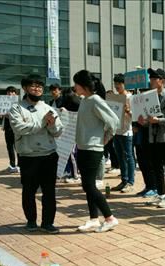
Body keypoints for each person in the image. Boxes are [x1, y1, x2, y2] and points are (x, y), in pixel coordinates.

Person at [9, 74, 63, 234]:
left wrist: (52, 125)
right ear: (25, 88)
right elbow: (20, 128)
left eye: (39, 86)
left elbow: (58, 131)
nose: (37, 89)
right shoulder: (16, 108)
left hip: (49, 156)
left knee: (49, 191)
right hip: (28, 156)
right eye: (33, 86)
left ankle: (48, 223)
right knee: (29, 191)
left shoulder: (48, 108)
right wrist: (42, 123)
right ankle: (31, 221)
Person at [74, 70, 119, 233]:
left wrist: (105, 139)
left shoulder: (95, 100)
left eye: (76, 84)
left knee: (89, 186)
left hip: (93, 149)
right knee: (89, 185)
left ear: (83, 85)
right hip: (83, 147)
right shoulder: (85, 100)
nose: (74, 87)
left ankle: (109, 218)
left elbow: (113, 121)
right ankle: (94, 218)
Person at [143, 68, 165, 208]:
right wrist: (143, 121)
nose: (151, 81)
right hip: (153, 137)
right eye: (150, 78)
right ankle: (161, 194)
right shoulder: (150, 97)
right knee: (157, 167)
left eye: (154, 78)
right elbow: (148, 119)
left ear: (162, 81)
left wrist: (159, 121)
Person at [111, 73, 136, 193]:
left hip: (126, 131)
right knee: (120, 156)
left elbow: (135, 115)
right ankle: (124, 180)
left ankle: (130, 182)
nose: (117, 86)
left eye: (119, 84)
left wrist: (128, 111)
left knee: (128, 156)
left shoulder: (130, 97)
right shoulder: (115, 98)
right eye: (115, 83)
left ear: (125, 84)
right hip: (117, 131)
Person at [0, 86, 19, 173]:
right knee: (9, 147)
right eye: (8, 92)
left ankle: (19, 166)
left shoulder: (18, 103)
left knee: (18, 147)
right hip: (7, 128)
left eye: (12, 92)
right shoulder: (4, 103)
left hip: (16, 128)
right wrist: (0, 115)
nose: (10, 94)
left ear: (16, 93)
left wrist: (8, 115)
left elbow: (19, 116)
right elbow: (2, 116)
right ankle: (12, 165)